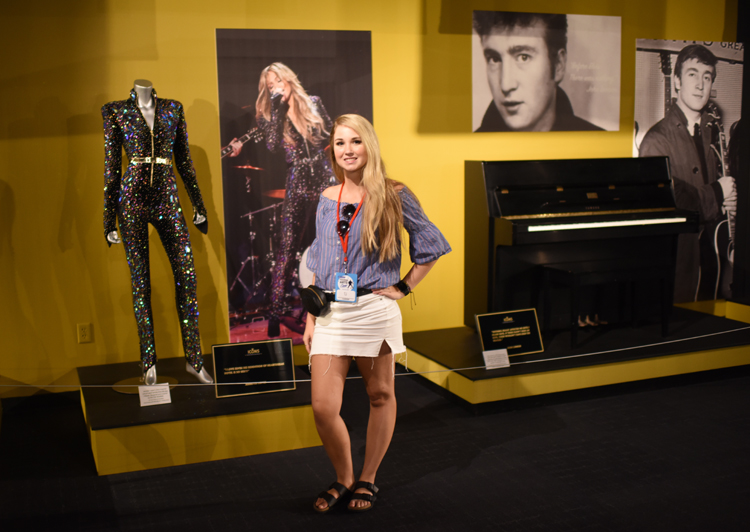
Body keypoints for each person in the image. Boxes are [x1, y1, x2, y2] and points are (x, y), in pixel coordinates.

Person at [303, 114, 451, 512]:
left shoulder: (394, 193)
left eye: (355, 141)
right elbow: (320, 260)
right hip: (331, 312)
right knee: (323, 407)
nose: (348, 150)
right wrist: (310, 318)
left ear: (369, 145)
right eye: (340, 143)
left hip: (374, 310)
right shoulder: (326, 197)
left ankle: (367, 478)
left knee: (380, 394)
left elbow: (432, 243)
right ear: (332, 150)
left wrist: (405, 286)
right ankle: (344, 477)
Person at [102, 80, 213, 385]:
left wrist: (199, 204)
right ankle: (149, 362)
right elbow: (112, 166)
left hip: (167, 196)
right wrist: (108, 219)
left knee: (187, 277)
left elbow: (184, 160)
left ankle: (194, 360)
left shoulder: (172, 109)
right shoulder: (115, 111)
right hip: (132, 200)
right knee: (141, 283)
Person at [228, 63, 336, 337]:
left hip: (324, 175)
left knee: (334, 240)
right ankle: (275, 312)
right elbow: (273, 145)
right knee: (287, 247)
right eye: (270, 85)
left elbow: (331, 134)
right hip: (297, 178)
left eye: (278, 81)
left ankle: (336, 301)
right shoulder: (268, 116)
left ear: (288, 80)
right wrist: (277, 111)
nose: (275, 87)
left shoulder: (313, 102)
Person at [639, 44, 737, 302]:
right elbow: (670, 202)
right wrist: (718, 192)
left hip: (711, 265)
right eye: (692, 74)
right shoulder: (656, 140)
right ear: (677, 81)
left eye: (707, 77)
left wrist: (726, 204)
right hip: (678, 268)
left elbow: (710, 194)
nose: (700, 85)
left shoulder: (710, 133)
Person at [473, 11, 603, 132]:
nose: (505, 85)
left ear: (558, 65)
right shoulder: (471, 146)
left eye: (524, 57)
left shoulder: (599, 143)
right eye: (494, 59)